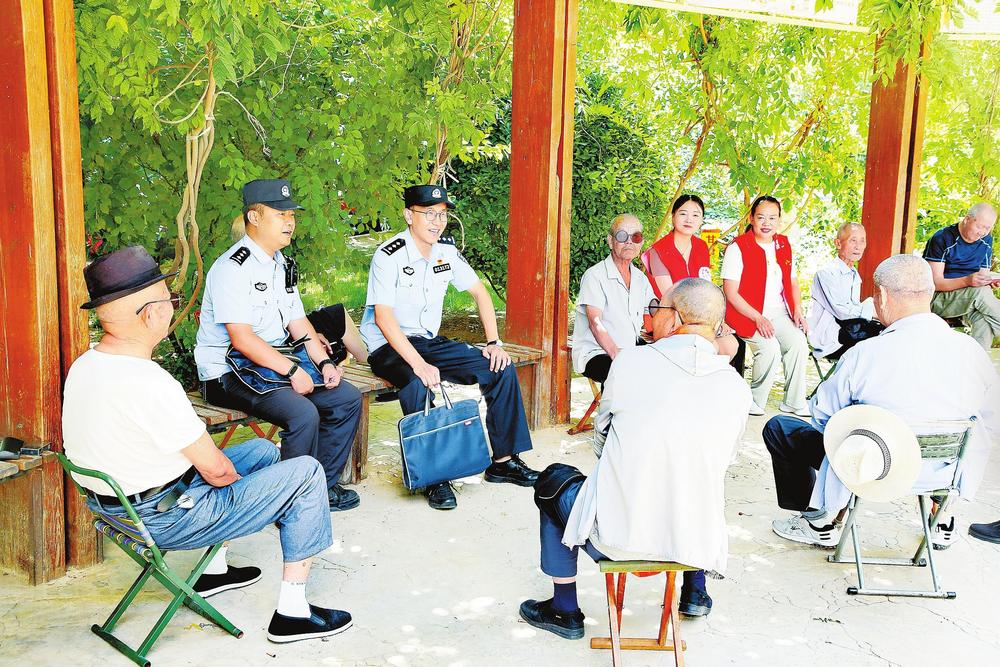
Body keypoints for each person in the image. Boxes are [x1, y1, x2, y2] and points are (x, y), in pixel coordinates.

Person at [63, 246, 352, 643]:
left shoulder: (85, 366)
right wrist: (246, 489)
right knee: (306, 474)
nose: (172, 307)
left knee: (263, 452)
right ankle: (293, 612)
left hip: (118, 510)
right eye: (169, 299)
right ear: (150, 314)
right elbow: (216, 472)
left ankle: (214, 572)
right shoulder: (150, 382)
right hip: (167, 516)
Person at [519, 279, 752, 639]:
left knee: (553, 480)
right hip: (695, 544)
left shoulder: (630, 363)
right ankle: (695, 589)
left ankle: (564, 610)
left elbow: (602, 440)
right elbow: (723, 458)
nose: (652, 315)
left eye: (657, 308)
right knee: (692, 473)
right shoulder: (736, 387)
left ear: (675, 319)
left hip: (618, 538)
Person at [763, 255, 999, 549]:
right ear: (929, 293)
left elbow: (823, 416)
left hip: (874, 468)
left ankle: (821, 520)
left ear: (883, 296)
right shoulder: (972, 351)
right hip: (944, 471)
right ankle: (941, 517)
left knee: (781, 427)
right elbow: (991, 419)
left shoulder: (865, 354)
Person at [360, 184, 539, 510]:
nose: (437, 221)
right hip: (389, 345)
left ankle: (503, 462)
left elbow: (480, 293)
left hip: (428, 342)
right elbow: (384, 318)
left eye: (442, 215)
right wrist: (418, 364)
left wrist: (494, 343)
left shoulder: (446, 253)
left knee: (499, 367)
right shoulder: (389, 255)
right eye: (429, 214)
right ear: (409, 215)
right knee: (416, 383)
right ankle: (434, 476)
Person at [194, 179, 363, 512]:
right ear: (254, 217)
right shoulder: (232, 268)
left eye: (292, 215)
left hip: (269, 366)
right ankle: (289, 501)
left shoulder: (281, 263)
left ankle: (319, 487)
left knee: (346, 398)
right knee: (303, 414)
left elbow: (298, 322)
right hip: (228, 374)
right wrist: (293, 371)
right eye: (280, 214)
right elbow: (242, 339)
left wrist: (323, 363)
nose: (290, 221)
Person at [721, 195, 810, 417]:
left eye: (772, 218)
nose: (766, 223)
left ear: (779, 220)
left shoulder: (783, 244)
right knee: (769, 348)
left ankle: (794, 402)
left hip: (779, 313)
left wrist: (797, 310)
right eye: (761, 217)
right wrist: (758, 318)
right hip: (746, 314)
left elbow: (792, 281)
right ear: (751, 218)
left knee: (799, 343)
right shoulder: (738, 247)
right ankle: (754, 401)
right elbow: (731, 293)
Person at [643, 193, 745, 369]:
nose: (689, 219)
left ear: (701, 220)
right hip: (669, 316)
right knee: (711, 348)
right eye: (683, 213)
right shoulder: (657, 251)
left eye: (696, 215)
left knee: (731, 345)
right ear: (673, 216)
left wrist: (717, 320)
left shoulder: (701, 247)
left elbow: (705, 289)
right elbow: (670, 295)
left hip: (699, 317)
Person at [571, 214, 654, 386]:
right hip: (596, 352)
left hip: (629, 348)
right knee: (627, 373)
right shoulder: (595, 276)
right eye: (622, 236)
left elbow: (655, 310)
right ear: (611, 241)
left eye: (636, 237)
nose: (629, 242)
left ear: (641, 243)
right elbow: (595, 323)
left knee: (661, 366)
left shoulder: (641, 279)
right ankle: (612, 405)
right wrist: (618, 356)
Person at [923, 202, 1000, 351]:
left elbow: (982, 275)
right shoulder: (942, 238)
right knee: (981, 293)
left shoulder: (986, 241)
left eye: (988, 228)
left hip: (968, 298)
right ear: (967, 219)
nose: (983, 232)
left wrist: (987, 280)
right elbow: (934, 283)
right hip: (937, 299)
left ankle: (977, 361)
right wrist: (967, 281)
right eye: (980, 226)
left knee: (983, 319)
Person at [807, 222, 884, 358]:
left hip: (848, 329)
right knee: (881, 338)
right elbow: (842, 311)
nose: (858, 246)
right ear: (838, 243)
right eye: (853, 240)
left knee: (888, 332)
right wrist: (874, 312)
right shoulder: (826, 273)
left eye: (862, 241)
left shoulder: (853, 274)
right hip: (829, 339)